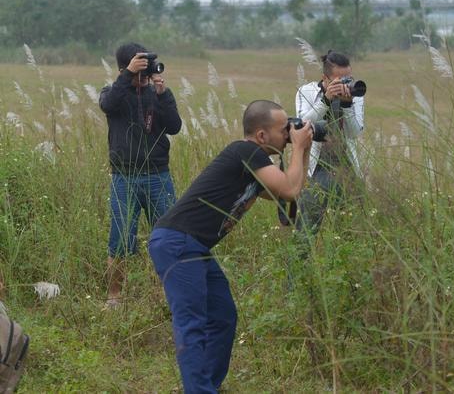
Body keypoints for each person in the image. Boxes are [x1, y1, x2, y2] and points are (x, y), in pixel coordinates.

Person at [148, 100, 313, 393]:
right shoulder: (245, 150)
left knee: (223, 316)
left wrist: (304, 148)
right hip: (177, 242)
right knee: (192, 324)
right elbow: (289, 188)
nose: (287, 133)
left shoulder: (253, 164)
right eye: (282, 129)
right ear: (261, 136)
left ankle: (207, 384)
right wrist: (298, 147)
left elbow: (289, 195)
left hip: (194, 246)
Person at [99, 43, 182, 306]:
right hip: (125, 176)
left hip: (158, 175)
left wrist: (163, 93)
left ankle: (172, 295)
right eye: (139, 71)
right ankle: (114, 297)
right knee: (120, 239)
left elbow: (175, 127)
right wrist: (126, 77)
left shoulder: (154, 93)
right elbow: (107, 105)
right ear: (126, 68)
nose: (143, 77)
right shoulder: (114, 92)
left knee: (170, 237)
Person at [293, 50, 365, 254]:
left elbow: (354, 132)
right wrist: (325, 100)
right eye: (339, 80)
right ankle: (297, 277)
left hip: (346, 169)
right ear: (325, 78)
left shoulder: (355, 94)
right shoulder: (305, 92)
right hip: (316, 170)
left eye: (348, 78)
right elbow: (301, 126)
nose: (345, 84)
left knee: (352, 233)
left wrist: (348, 104)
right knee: (306, 231)